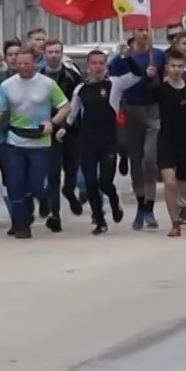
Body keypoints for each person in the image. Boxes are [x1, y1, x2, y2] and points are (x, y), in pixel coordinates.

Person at [0, 48, 70, 239]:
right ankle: (21, 225)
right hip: (16, 141)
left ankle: (43, 200)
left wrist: (52, 123)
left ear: (35, 63)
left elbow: (65, 106)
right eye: (20, 63)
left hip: (40, 142)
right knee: (16, 184)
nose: (23, 67)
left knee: (36, 184)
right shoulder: (7, 85)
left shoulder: (47, 84)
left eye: (27, 63)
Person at [108, 29, 166, 230]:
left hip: (152, 111)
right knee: (136, 163)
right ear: (133, 33)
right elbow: (112, 81)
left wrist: (153, 77)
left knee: (149, 159)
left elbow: (165, 84)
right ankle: (141, 209)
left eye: (147, 30)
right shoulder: (122, 58)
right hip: (130, 111)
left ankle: (149, 208)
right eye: (140, 30)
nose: (144, 34)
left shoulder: (158, 56)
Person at [67, 49, 123, 233]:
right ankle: (99, 220)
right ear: (88, 66)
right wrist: (62, 129)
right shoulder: (80, 90)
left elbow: (135, 75)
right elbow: (72, 115)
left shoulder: (114, 85)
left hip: (108, 142)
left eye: (101, 63)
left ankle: (115, 202)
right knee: (90, 183)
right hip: (87, 142)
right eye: (94, 63)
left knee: (105, 182)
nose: (98, 67)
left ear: (106, 66)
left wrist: (124, 55)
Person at [153, 51, 186, 237]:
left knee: (185, 186)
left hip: (185, 141)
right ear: (167, 68)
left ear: (184, 68)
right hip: (166, 140)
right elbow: (142, 96)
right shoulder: (161, 89)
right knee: (169, 182)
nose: (176, 70)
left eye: (179, 66)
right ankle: (175, 223)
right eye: (172, 66)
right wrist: (148, 77)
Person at [42, 41, 85, 220]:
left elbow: (80, 101)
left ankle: (69, 192)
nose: (53, 55)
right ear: (44, 54)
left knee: (71, 170)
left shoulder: (72, 74)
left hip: (71, 129)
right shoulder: (39, 76)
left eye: (56, 52)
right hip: (48, 128)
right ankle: (55, 213)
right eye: (50, 52)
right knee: (52, 172)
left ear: (61, 53)